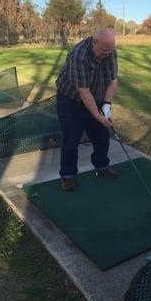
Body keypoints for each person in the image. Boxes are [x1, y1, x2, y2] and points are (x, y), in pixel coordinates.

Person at [56, 28, 118, 191]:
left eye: (109, 50)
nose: (107, 53)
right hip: (71, 100)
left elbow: (112, 81)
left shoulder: (110, 52)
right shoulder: (79, 56)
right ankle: (67, 176)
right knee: (71, 139)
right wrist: (97, 116)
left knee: (102, 135)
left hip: (95, 96)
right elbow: (83, 92)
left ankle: (101, 165)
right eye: (103, 50)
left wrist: (106, 105)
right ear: (94, 41)